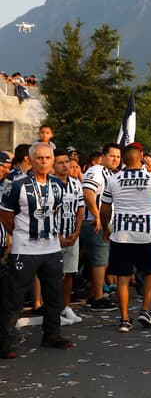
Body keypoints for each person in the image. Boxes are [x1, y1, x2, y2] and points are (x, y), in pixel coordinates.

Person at [0, 142, 72, 354]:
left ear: (52, 160)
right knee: (15, 298)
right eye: (39, 158)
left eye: (47, 158)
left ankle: (52, 335)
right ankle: (5, 342)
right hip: (25, 249)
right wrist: (19, 233)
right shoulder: (17, 184)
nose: (43, 162)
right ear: (30, 160)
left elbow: (55, 211)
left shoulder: (57, 185)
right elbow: (5, 214)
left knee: (54, 294)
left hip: (51, 248)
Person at [100, 142, 151, 333]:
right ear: (141, 158)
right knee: (150, 273)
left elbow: (105, 208)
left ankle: (125, 319)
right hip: (145, 234)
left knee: (123, 277)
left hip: (121, 235)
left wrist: (105, 228)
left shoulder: (114, 179)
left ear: (123, 160)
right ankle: (145, 310)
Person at [81, 143, 121, 312]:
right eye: (112, 156)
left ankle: (94, 293)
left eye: (118, 157)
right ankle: (97, 298)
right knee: (99, 260)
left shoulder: (111, 173)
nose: (116, 160)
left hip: (105, 222)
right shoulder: (96, 171)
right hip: (93, 223)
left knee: (102, 260)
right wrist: (97, 216)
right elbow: (88, 192)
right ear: (102, 156)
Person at [53, 148, 84, 325]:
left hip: (72, 234)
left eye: (67, 162)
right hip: (53, 237)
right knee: (51, 274)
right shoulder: (50, 183)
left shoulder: (75, 183)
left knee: (69, 273)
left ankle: (66, 307)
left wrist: (77, 231)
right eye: (61, 162)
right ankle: (51, 307)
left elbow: (80, 209)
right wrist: (57, 235)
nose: (65, 166)